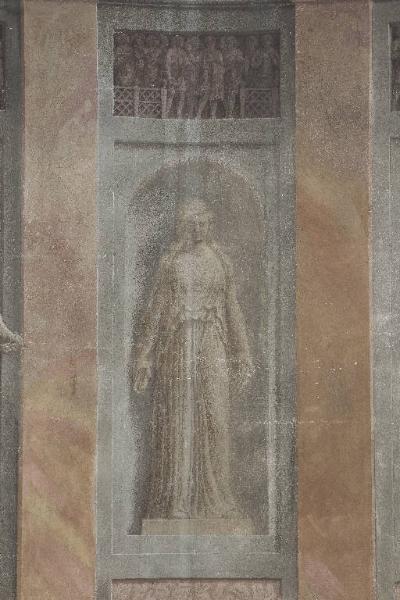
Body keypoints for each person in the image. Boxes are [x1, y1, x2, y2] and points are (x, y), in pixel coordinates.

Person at [133, 199, 253, 520]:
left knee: (215, 417)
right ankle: (178, 501)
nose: (198, 229)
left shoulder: (221, 261)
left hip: (213, 341)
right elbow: (155, 311)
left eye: (202, 223)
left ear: (209, 225)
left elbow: (232, 308)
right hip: (177, 344)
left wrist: (242, 351)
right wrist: (143, 355)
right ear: (183, 226)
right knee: (179, 418)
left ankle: (216, 499)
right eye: (191, 223)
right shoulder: (171, 262)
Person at [197, 36, 224, 119]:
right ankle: (198, 113)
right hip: (206, 76)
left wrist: (214, 60)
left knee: (214, 97)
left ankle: (213, 114)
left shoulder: (218, 53)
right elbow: (200, 64)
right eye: (208, 42)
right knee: (204, 95)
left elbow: (221, 63)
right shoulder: (204, 53)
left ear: (214, 43)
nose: (210, 44)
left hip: (216, 77)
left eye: (212, 42)